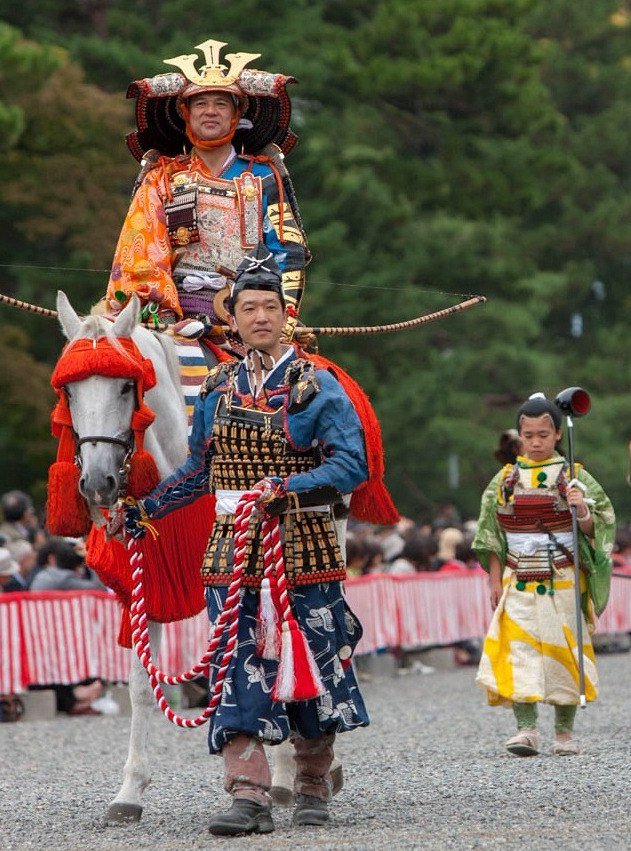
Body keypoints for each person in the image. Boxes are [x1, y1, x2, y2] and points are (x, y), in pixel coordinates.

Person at [124, 243, 370, 836]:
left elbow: (350, 464)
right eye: (249, 308)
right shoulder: (215, 388)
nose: (260, 317)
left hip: (302, 547)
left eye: (270, 307)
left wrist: (283, 488)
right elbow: (201, 469)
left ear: (285, 315)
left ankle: (312, 784)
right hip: (232, 552)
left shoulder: (317, 386)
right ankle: (248, 792)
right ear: (230, 317)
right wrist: (145, 509)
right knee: (236, 669)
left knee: (308, 668)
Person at [105, 38, 308, 349]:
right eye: (200, 103)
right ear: (185, 113)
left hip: (246, 317)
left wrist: (281, 319)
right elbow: (139, 259)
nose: (210, 112)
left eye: (221, 103)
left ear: (237, 113)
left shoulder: (264, 176)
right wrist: (165, 320)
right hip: (172, 318)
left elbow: (287, 254)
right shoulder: (163, 178)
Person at [473, 392, 615, 756]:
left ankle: (564, 733)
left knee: (564, 652)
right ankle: (526, 730)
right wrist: (493, 580)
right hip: (518, 577)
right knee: (520, 650)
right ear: (519, 435)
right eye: (528, 434)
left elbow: (600, 528)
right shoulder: (504, 479)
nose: (535, 442)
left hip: (563, 576)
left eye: (543, 435)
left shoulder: (576, 476)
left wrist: (581, 510)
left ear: (556, 436)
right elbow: (490, 535)